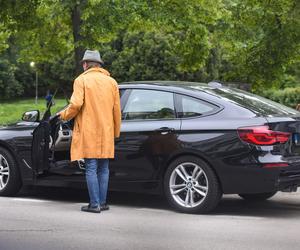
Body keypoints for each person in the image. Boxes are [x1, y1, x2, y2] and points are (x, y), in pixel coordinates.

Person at [58, 50, 121, 213]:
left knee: (91, 167)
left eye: (83, 64)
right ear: (99, 65)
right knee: (104, 168)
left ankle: (94, 204)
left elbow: (76, 104)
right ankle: (103, 202)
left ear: (86, 64)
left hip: (89, 130)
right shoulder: (112, 82)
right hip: (106, 131)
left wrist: (64, 115)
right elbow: (117, 111)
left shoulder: (82, 80)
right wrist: (116, 132)